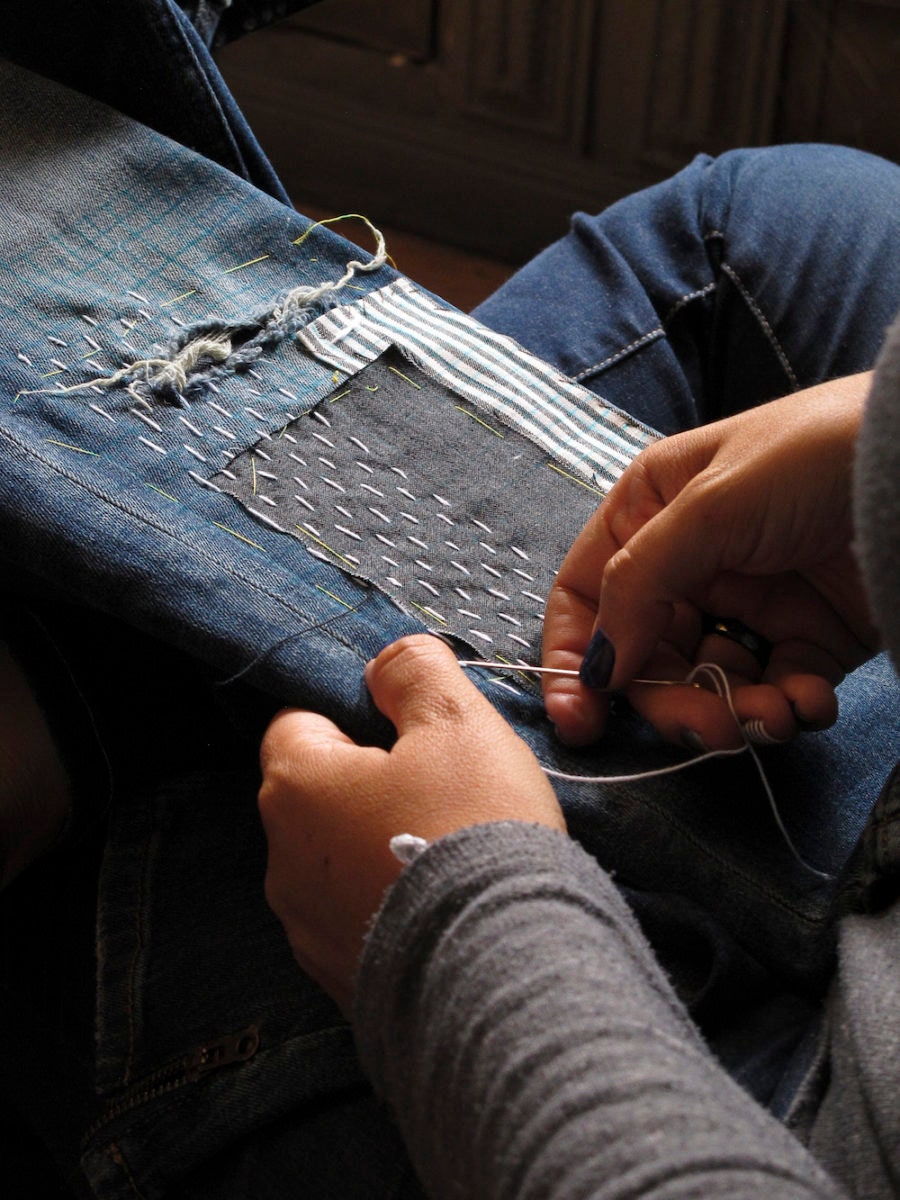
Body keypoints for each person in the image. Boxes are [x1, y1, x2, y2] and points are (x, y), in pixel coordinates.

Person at [1, 3, 899, 1196]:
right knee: (782, 221)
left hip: (702, 1102)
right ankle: (111, 685)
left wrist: (461, 915)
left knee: (212, 810)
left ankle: (93, 722)